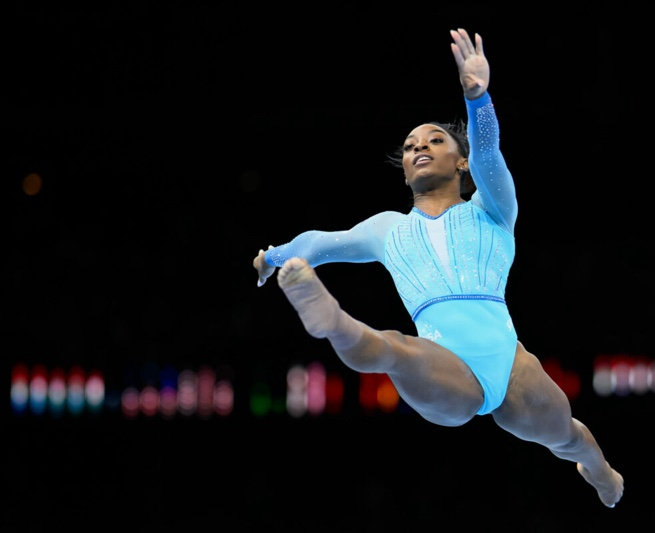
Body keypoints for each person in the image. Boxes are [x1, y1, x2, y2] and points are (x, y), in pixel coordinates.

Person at [252, 28, 624, 508]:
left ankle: (603, 475)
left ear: (461, 162)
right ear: (405, 170)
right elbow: (320, 242)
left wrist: (478, 98)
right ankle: (331, 321)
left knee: (569, 437)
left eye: (434, 139)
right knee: (394, 348)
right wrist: (275, 256)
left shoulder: (492, 210)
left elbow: (489, 153)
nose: (419, 147)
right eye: (410, 146)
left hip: (511, 366)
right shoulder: (387, 228)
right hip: (442, 362)